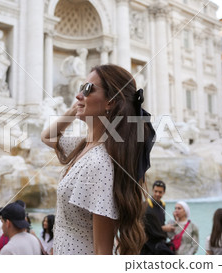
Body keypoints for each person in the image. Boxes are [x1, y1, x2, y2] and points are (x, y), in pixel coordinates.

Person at [42, 64, 156, 255]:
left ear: (110, 102)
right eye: (81, 88)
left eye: (87, 89)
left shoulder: (99, 164)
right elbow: (48, 137)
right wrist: (74, 109)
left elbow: (102, 251)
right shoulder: (85, 146)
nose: (79, 95)